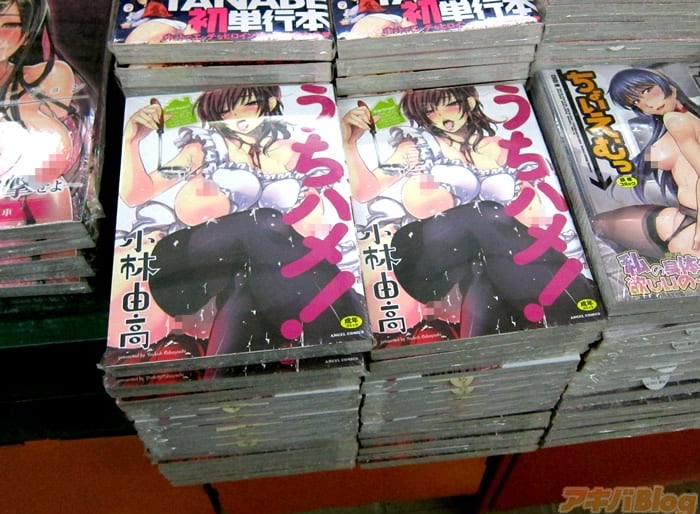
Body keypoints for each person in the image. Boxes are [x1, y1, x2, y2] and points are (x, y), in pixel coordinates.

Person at [111, 86, 366, 359]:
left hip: (258, 277)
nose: (235, 116)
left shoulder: (294, 152)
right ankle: (338, 329)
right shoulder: (204, 148)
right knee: (264, 221)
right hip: (187, 268)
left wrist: (349, 144)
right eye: (225, 110)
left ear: (271, 102)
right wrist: (131, 141)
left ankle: (323, 351)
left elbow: (323, 217)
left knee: (245, 290)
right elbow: (136, 194)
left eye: (247, 105)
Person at [342, 86, 593, 340]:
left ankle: (484, 346)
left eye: (450, 104)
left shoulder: (499, 148)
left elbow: (530, 208)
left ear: (470, 103)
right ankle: (576, 300)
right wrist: (349, 144)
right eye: (430, 110)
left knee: (486, 278)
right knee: (485, 213)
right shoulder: (418, 146)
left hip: (482, 259)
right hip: (424, 254)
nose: (441, 115)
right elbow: (364, 191)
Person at [0, 0, 95, 228]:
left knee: (52, 189)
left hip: (37, 207)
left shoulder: (47, 79)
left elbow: (56, 158)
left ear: (25, 36)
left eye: (9, 25)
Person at [593, 68, 700, 259]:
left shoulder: (676, 121)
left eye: (647, 90)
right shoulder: (680, 120)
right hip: (681, 220)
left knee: (595, 228)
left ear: (665, 82)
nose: (648, 104)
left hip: (687, 223)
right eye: (636, 101)